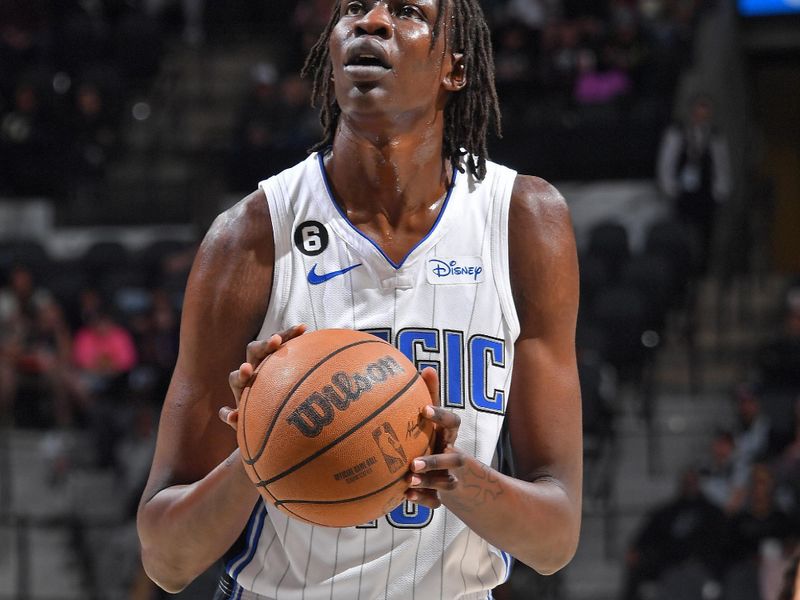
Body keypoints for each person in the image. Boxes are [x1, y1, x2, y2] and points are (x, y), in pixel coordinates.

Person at [136, 1, 583, 598]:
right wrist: (261, 452)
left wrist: (456, 480)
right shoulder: (250, 237)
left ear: (454, 66)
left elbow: (555, 542)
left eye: (406, 11)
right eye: (352, 8)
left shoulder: (524, 223)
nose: (369, 21)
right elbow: (166, 559)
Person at [656, 94, 732, 272]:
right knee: (681, 234)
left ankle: (703, 269)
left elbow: (722, 165)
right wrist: (671, 188)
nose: (701, 116)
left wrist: (720, 191)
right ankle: (682, 269)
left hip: (705, 193)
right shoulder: (677, 133)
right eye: (698, 111)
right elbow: (666, 163)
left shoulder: (714, 136)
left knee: (705, 234)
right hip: (683, 193)